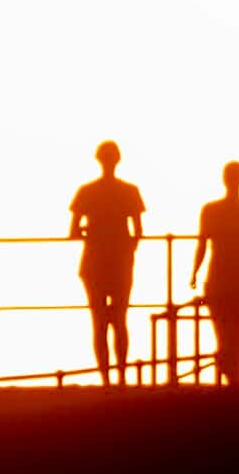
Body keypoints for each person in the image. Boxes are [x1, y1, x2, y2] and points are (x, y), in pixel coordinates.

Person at [69, 140, 145, 387]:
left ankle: (106, 379)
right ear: (118, 160)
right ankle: (121, 377)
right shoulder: (130, 191)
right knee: (120, 320)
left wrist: (90, 231)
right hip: (121, 261)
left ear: (98, 159)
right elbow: (138, 232)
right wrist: (126, 249)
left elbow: (72, 232)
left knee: (99, 322)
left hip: (94, 262)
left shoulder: (86, 191)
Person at [190, 161, 239, 387]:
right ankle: (237, 380)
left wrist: (194, 272)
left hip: (218, 279)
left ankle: (229, 380)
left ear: (224, 179)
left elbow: (202, 244)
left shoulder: (210, 210)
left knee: (222, 334)